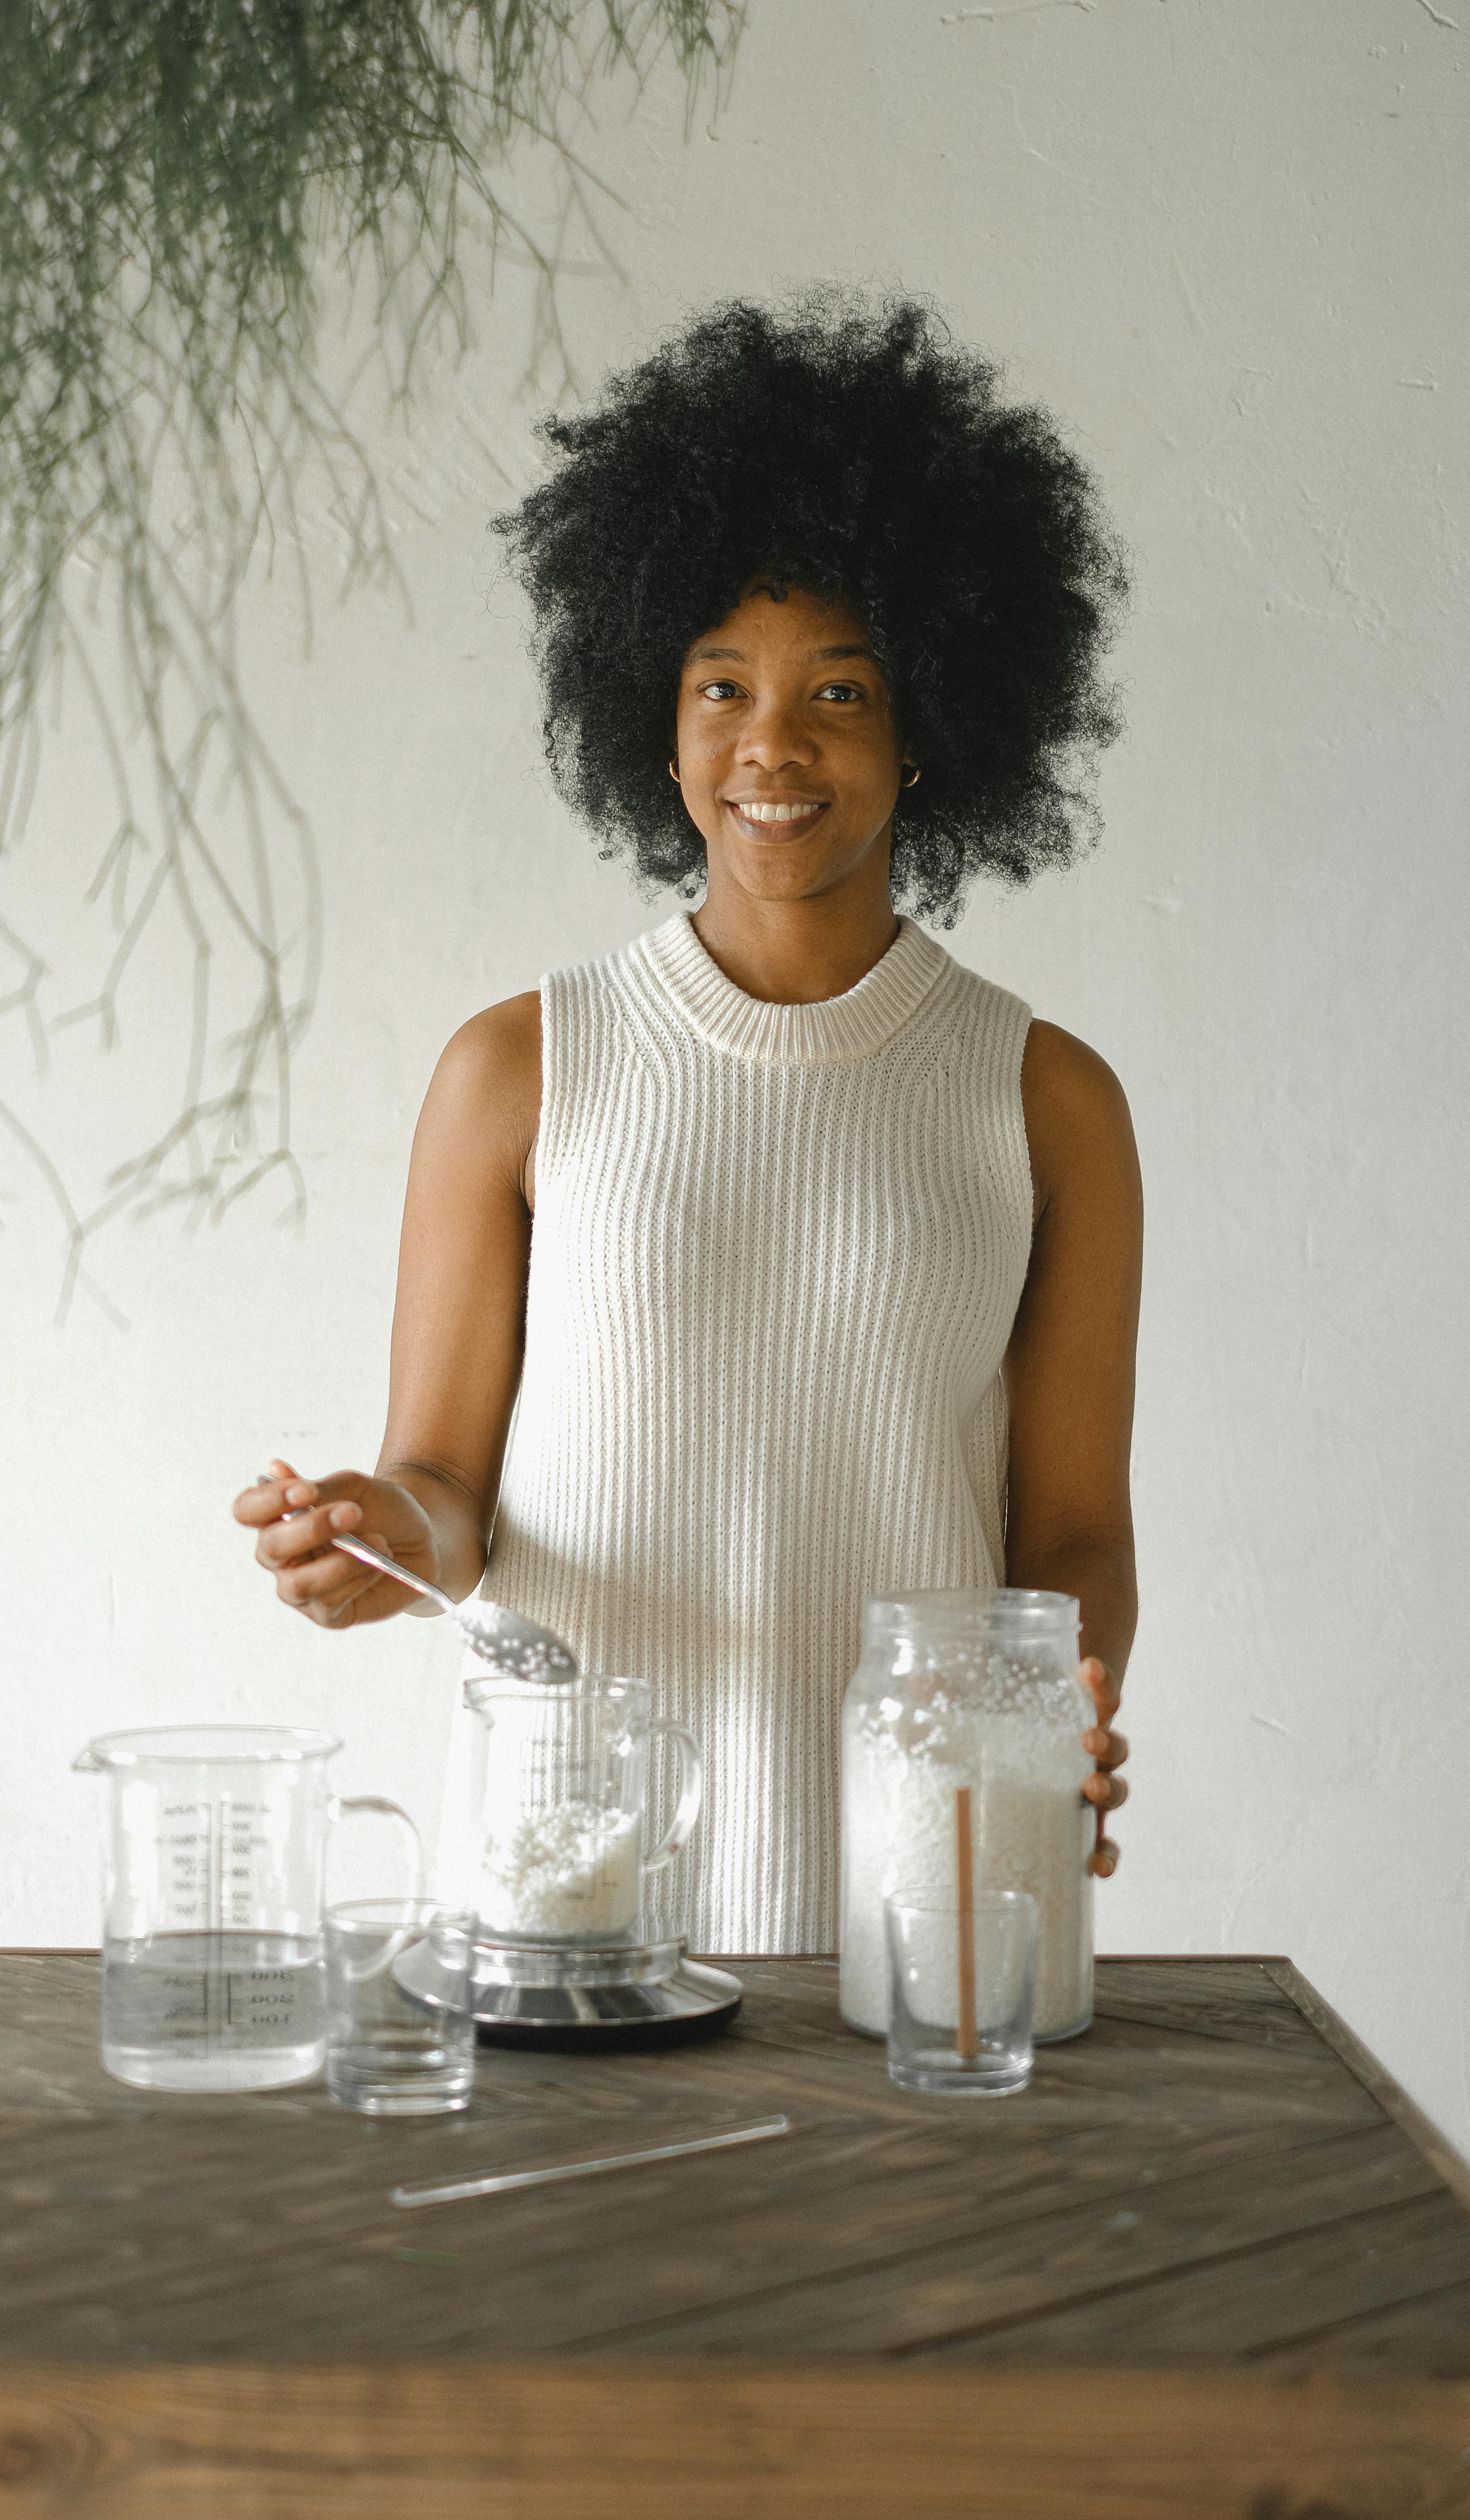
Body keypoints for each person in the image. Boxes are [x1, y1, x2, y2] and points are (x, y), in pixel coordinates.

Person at [235, 293, 1138, 1954]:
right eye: (721, 685)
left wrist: (1058, 1717)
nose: (772, 746)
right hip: (571, 1896)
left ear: (934, 721)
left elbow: (1071, 1534)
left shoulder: (1048, 1100)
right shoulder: (519, 1069)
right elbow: (448, 1480)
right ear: (653, 714)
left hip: (929, 1910)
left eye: (843, 692)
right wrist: (379, 1535)